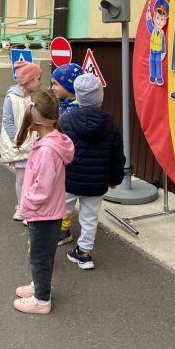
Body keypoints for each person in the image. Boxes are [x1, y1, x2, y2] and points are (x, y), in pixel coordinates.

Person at [13, 90, 74, 314]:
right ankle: (39, 286)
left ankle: (42, 300)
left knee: (39, 256)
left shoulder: (48, 150)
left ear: (34, 118)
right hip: (48, 212)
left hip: (43, 213)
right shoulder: (52, 141)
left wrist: (26, 204)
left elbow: (43, 187)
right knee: (41, 254)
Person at [60, 74, 125, 270]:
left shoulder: (66, 121)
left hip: (68, 181)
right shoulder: (110, 125)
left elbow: (57, 151)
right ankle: (84, 254)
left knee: (58, 214)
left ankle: (44, 250)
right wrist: (115, 179)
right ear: (100, 97)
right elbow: (117, 157)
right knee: (89, 219)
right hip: (96, 184)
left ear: (78, 96)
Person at [0, 60, 43, 222]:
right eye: (39, 79)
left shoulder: (32, 96)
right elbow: (8, 122)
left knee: (31, 179)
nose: (40, 82)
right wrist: (19, 141)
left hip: (31, 145)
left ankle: (26, 207)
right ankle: (23, 208)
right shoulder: (11, 98)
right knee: (22, 179)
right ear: (29, 80)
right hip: (20, 146)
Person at [50, 62, 84, 245]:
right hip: (65, 162)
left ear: (70, 86)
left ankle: (63, 231)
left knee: (66, 199)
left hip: (71, 164)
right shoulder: (65, 104)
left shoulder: (74, 112)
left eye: (55, 84)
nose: (52, 87)